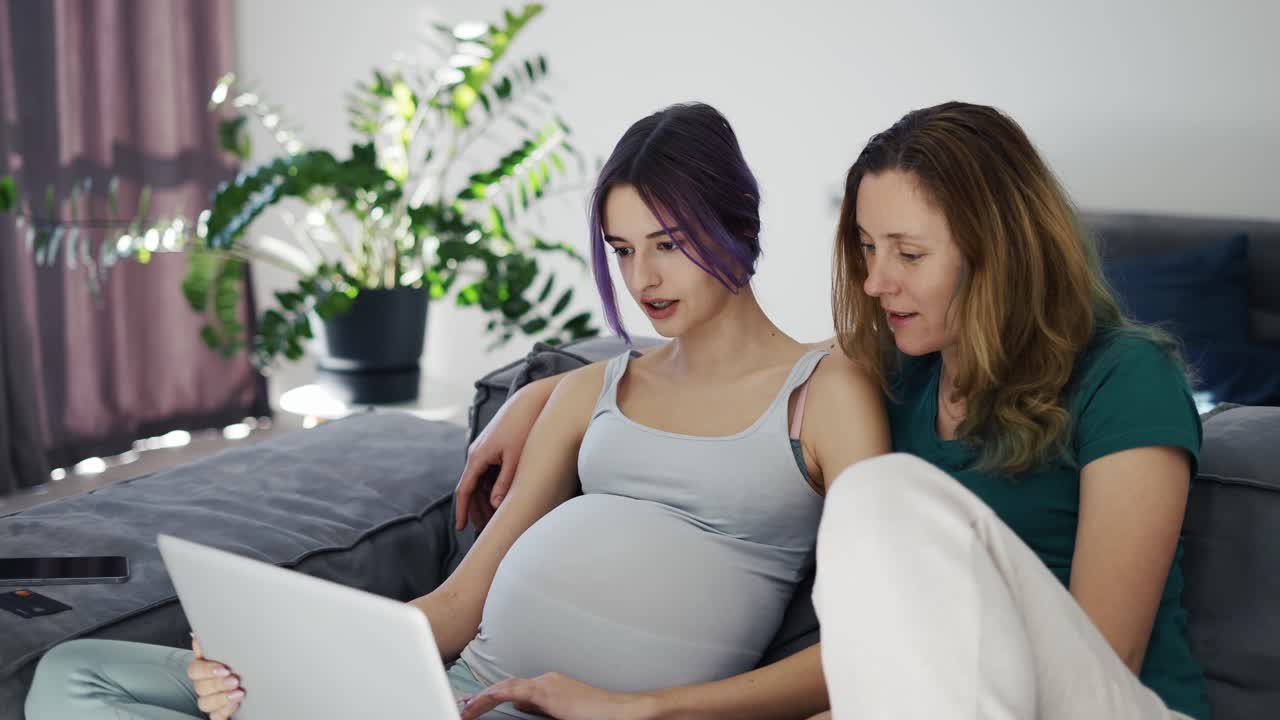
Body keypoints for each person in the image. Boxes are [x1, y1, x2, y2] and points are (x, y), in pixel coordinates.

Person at [25, 102, 889, 720]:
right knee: (76, 674)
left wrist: (645, 711)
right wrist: (274, 651)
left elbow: (866, 650)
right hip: (435, 690)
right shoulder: (592, 392)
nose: (643, 279)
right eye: (623, 251)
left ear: (739, 225)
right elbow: (454, 604)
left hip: (563, 714)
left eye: (668, 245)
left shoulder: (825, 396)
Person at [453, 102, 1210, 719]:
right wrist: (545, 389)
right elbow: (742, 361)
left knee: (882, 498)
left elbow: (1108, 656)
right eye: (865, 248)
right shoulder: (899, 367)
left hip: (1103, 705)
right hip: (945, 696)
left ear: (999, 251)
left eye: (908, 255)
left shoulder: (1127, 378)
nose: (877, 281)